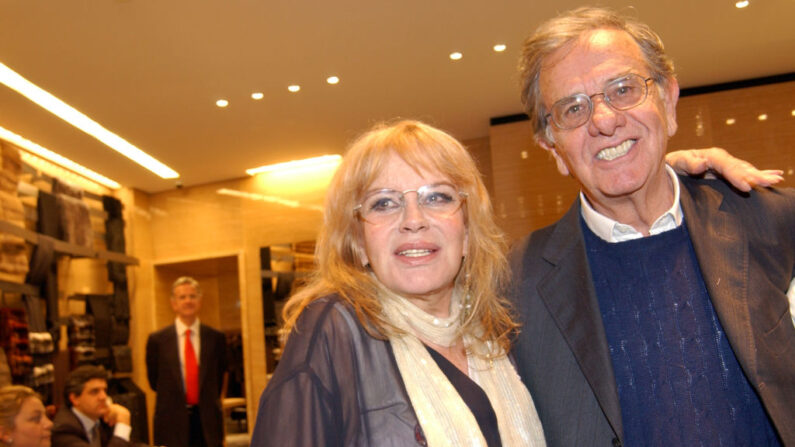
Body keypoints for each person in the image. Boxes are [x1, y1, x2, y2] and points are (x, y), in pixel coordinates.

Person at [509, 6, 795, 447]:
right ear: (552, 148)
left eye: (623, 89)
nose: (604, 121)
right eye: (573, 108)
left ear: (668, 100)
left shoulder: (769, 219)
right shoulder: (513, 286)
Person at [251, 119, 547, 446]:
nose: (414, 220)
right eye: (384, 203)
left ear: (467, 232)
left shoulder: (501, 333)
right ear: (358, 243)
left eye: (437, 197)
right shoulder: (333, 331)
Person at [145, 276, 227, 447]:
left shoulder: (215, 338)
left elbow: (219, 377)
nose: (188, 301)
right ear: (173, 303)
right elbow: (154, 382)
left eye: (192, 296)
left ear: (200, 301)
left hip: (207, 421)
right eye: (182, 297)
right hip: (171, 422)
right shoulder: (157, 341)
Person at [51, 365, 131, 447]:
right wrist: (123, 424)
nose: (103, 397)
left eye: (104, 390)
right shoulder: (64, 430)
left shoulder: (103, 418)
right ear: (75, 399)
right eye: (95, 392)